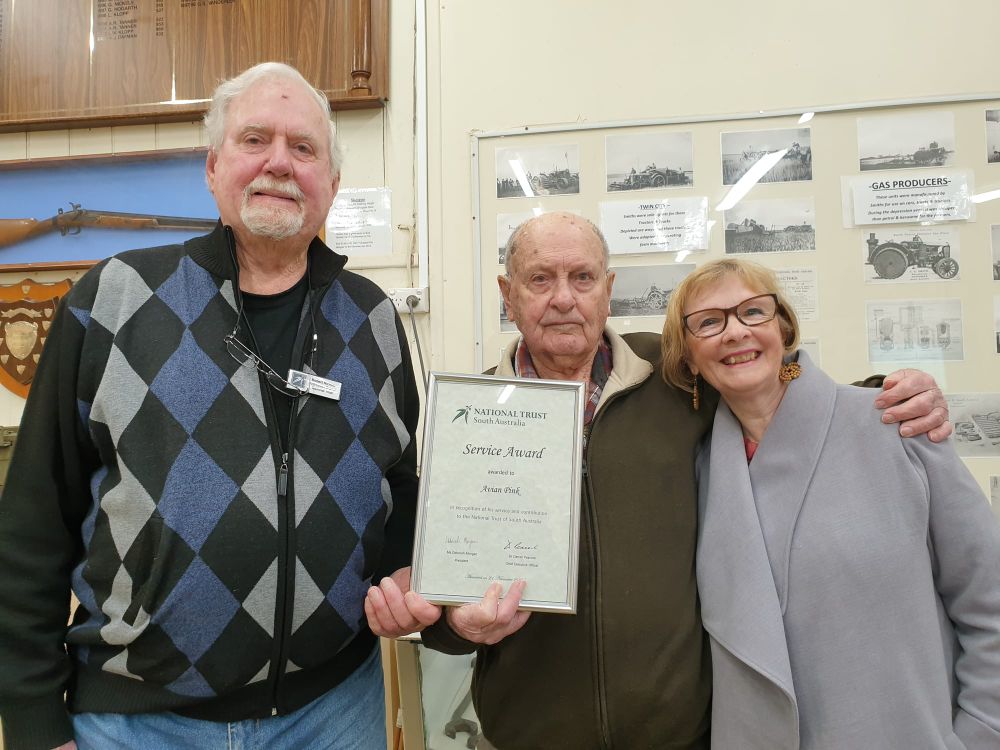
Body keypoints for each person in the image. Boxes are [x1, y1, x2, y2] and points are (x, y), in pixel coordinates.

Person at [365, 211, 950, 749]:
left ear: (608, 290)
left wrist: (883, 396)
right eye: (541, 279)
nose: (564, 298)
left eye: (583, 278)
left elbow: (775, 391)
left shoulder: (674, 374)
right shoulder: (470, 417)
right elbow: (443, 606)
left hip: (683, 735)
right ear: (508, 295)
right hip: (529, 737)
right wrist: (456, 626)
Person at [0, 62, 419, 750]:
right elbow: (32, 522)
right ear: (214, 167)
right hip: (138, 723)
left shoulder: (374, 320)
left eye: (304, 147)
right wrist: (33, 718)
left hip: (335, 709)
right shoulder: (115, 300)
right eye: (255, 140)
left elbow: (399, 491)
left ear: (333, 183)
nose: (279, 162)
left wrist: (408, 582)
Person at [661, 257, 1000, 749]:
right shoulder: (698, 471)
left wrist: (981, 734)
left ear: (783, 329)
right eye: (709, 322)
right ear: (689, 358)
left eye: (753, 312)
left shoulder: (897, 424)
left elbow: (988, 598)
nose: (735, 332)